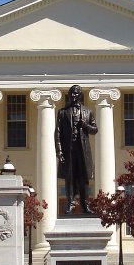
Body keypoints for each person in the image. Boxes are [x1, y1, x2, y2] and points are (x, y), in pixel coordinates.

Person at [55, 85, 98, 214]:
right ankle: (71, 203)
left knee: (83, 178)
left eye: (75, 94)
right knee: (70, 177)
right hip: (69, 150)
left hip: (82, 150)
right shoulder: (62, 112)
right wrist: (59, 151)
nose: (73, 96)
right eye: (71, 94)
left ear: (80, 95)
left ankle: (85, 204)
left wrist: (85, 125)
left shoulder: (88, 111)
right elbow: (57, 133)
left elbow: (95, 129)